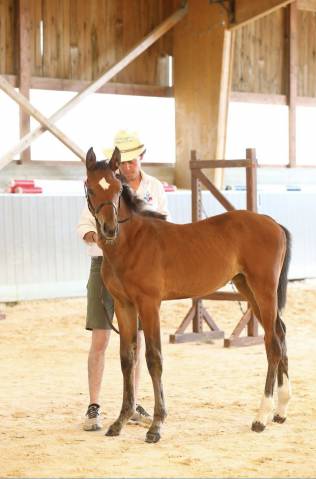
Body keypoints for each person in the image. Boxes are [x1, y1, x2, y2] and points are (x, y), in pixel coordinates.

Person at [77, 130, 170, 431]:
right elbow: (84, 223)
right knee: (101, 339)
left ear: (141, 158)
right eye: (124, 162)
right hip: (104, 265)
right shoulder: (105, 182)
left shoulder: (154, 187)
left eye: (132, 161)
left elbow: (162, 224)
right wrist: (95, 236)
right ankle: (94, 405)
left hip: (141, 271)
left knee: (137, 339)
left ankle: (134, 402)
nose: (128, 167)